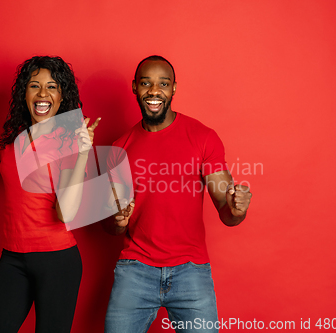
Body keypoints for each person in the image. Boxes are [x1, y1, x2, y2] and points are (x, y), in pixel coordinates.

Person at [0, 56, 100, 333]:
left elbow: (67, 214)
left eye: (52, 87)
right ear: (23, 94)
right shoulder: (12, 142)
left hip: (57, 261)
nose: (42, 94)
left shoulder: (70, 143)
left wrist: (82, 155)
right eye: (34, 86)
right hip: (13, 259)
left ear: (62, 96)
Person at [103, 55, 252, 333]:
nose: (154, 91)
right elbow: (110, 226)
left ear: (174, 89)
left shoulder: (203, 137)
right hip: (135, 269)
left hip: (191, 270)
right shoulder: (118, 148)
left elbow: (227, 212)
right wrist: (117, 220)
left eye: (163, 84)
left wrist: (236, 208)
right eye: (146, 83)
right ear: (135, 87)